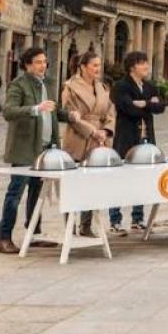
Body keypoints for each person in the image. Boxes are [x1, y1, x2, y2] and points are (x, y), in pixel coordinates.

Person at [0, 47, 77, 254]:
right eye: (39, 62)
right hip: (25, 148)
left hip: (45, 148)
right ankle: (4, 237)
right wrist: (35, 109)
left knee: (37, 193)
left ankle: (34, 234)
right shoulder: (18, 85)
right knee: (15, 192)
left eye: (44, 61)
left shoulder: (47, 84)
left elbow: (53, 110)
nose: (43, 66)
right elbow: (8, 111)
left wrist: (69, 116)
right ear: (28, 65)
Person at [109, 50, 165, 235]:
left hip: (146, 137)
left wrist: (144, 104)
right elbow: (127, 108)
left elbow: (161, 107)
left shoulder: (148, 86)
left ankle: (137, 218)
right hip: (127, 137)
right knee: (120, 178)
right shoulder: (121, 86)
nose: (147, 67)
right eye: (143, 64)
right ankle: (115, 220)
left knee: (142, 177)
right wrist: (148, 104)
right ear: (133, 66)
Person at [61, 52, 115, 237]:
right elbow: (70, 114)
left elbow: (110, 113)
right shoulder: (70, 87)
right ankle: (69, 225)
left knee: (93, 183)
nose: (97, 69)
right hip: (78, 138)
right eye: (94, 65)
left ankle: (86, 225)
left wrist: (106, 131)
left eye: (99, 65)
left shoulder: (102, 87)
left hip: (99, 140)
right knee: (73, 183)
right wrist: (92, 131)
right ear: (83, 67)